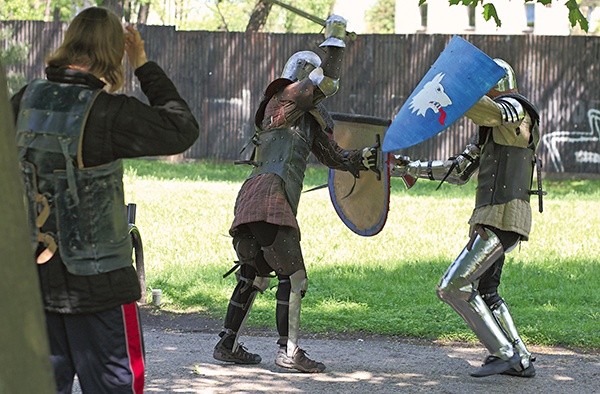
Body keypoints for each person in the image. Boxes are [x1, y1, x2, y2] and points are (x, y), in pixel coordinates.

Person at [11, 7, 199, 393]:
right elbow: (182, 129)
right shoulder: (110, 113)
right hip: (100, 287)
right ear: (115, 53)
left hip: (32, 282)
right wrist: (143, 64)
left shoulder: (23, 102)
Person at [212, 14, 378, 373]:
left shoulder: (302, 120)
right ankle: (289, 352)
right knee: (295, 277)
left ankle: (226, 344)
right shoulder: (284, 98)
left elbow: (336, 157)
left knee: (254, 275)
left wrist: (364, 159)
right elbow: (328, 80)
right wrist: (335, 35)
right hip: (270, 201)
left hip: (252, 202)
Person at [391, 59, 540, 378]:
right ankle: (521, 357)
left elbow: (492, 111)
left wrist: (454, 89)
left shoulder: (516, 110)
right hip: (495, 216)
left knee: (453, 286)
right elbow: (459, 170)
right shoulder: (493, 131)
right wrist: (410, 168)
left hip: (503, 216)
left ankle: (505, 352)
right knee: (487, 291)